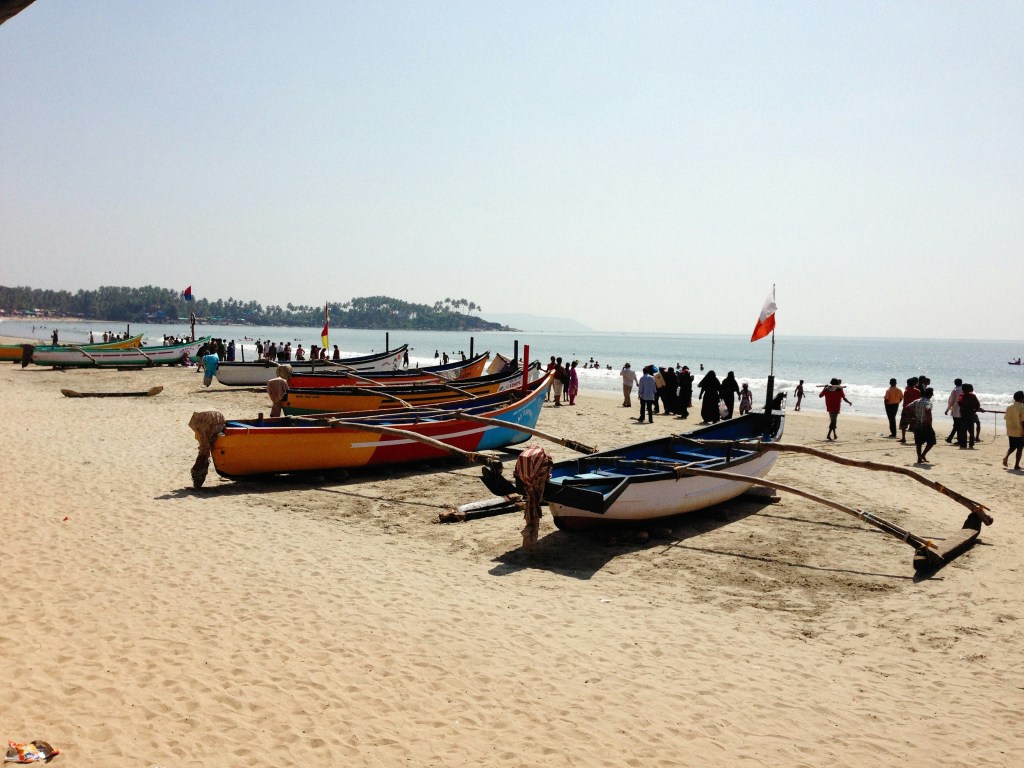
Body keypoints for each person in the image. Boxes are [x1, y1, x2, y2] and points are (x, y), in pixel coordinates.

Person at [911, 387, 937, 464]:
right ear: (931, 394)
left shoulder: (917, 401)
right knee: (931, 441)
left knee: (918, 442)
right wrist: (929, 421)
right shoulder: (928, 402)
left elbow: (907, 407)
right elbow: (928, 409)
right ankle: (923, 455)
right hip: (926, 424)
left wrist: (913, 416)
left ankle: (919, 458)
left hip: (917, 424)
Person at [956, 383, 985, 449]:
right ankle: (971, 444)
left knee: (964, 430)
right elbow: (978, 405)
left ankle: (963, 444)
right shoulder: (972, 396)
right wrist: (974, 410)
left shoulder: (962, 395)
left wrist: (966, 408)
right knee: (971, 430)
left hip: (964, 414)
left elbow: (959, 403)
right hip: (970, 414)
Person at [1003, 391, 1024, 470]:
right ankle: (1016, 465)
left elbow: (1006, 418)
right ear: (1022, 398)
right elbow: (1023, 421)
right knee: (1020, 448)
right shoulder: (1022, 407)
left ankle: (1006, 456)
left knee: (1012, 446)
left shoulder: (1009, 407)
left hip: (1010, 430)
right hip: (1019, 430)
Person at [898, 377, 921, 444]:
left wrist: (905, 409)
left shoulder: (906, 391)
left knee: (904, 425)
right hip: (915, 409)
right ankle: (916, 439)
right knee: (914, 425)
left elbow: (905, 402)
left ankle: (903, 438)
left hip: (907, 409)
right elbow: (918, 401)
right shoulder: (918, 391)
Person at [944, 378, 963, 444]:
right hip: (963, 410)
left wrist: (947, 409)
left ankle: (952, 438)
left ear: (955, 383)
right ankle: (955, 438)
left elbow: (951, 401)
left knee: (956, 425)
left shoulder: (955, 390)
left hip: (956, 409)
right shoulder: (965, 389)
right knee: (959, 425)